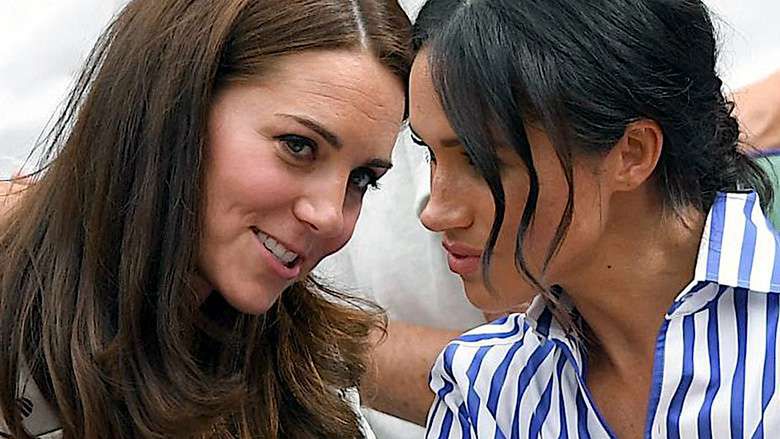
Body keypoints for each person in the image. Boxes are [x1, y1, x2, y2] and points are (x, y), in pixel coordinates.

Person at [0, 0, 411, 437]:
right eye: (298, 146)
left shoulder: (309, 386)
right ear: (174, 108)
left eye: (362, 179)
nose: (329, 216)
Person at [406, 0, 780, 437]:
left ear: (632, 152)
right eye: (429, 154)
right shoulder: (484, 392)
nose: (435, 212)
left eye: (480, 160)